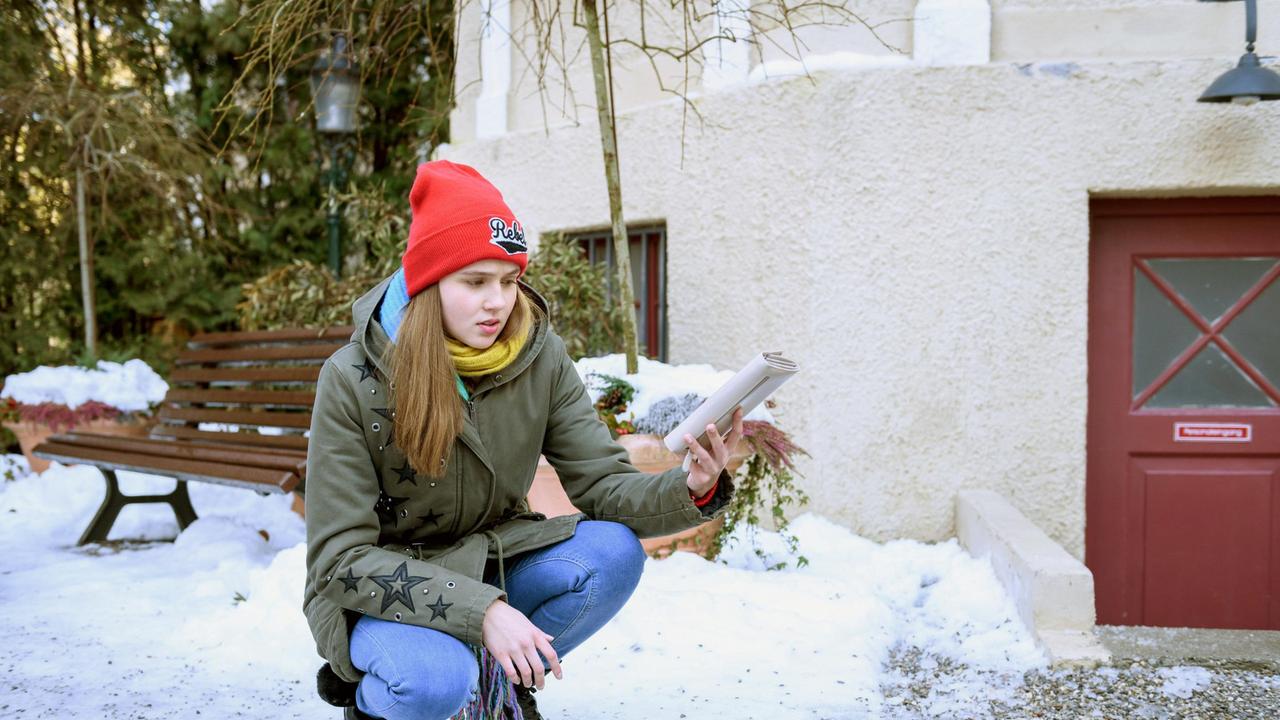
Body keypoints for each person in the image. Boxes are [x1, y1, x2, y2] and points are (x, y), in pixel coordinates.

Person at [303, 160, 744, 720]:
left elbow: (602, 484)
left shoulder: (538, 357)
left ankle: (498, 689)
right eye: (475, 281)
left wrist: (692, 486)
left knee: (611, 554)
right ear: (428, 282)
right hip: (382, 588)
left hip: (493, 556)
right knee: (432, 682)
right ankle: (382, 697)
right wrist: (482, 611)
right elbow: (339, 559)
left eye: (508, 281)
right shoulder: (351, 379)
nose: (498, 302)